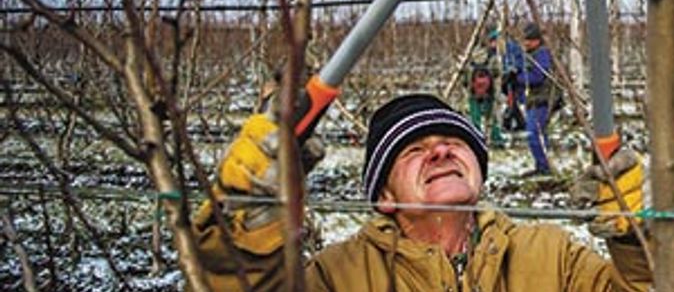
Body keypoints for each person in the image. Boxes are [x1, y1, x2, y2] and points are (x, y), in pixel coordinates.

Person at [193, 93, 650, 291]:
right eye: (413, 150)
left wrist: (641, 241)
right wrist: (243, 231)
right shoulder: (338, 277)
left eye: (453, 142)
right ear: (385, 196)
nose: (439, 152)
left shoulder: (550, 257)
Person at [521, 21, 557, 176]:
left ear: (537, 40)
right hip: (535, 99)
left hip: (542, 99)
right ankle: (542, 165)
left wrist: (518, 77)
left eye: (529, 40)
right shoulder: (531, 54)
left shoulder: (542, 54)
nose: (526, 43)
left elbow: (538, 77)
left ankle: (544, 167)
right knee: (539, 134)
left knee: (534, 133)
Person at [467, 55, 504, 148]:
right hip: (475, 96)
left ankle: (496, 139)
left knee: (491, 118)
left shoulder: (493, 59)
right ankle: (478, 139)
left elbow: (498, 73)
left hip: (488, 95)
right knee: (476, 119)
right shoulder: (471, 69)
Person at [499, 28, 527, 133]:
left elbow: (514, 63)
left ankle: (510, 123)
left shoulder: (511, 47)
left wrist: (511, 71)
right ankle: (519, 123)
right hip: (508, 77)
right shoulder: (504, 47)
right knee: (512, 101)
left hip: (512, 78)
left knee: (512, 100)